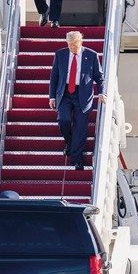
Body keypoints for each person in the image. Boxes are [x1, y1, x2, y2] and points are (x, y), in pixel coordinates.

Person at [49, 31, 106, 170]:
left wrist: (102, 93)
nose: (72, 48)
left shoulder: (91, 55)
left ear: (81, 42)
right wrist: (51, 96)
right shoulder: (60, 54)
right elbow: (54, 76)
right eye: (69, 45)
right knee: (64, 120)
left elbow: (99, 76)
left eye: (74, 44)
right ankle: (69, 143)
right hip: (65, 93)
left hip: (83, 95)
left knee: (80, 128)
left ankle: (77, 159)